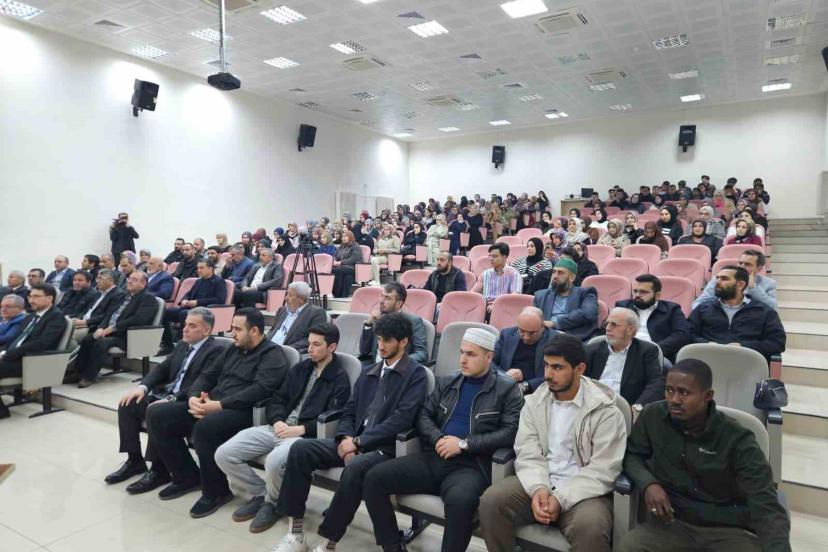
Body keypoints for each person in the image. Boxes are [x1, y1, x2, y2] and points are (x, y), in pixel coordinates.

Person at [268, 313, 428, 552]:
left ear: (404, 342)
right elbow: (349, 411)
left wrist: (359, 442)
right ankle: (296, 533)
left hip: (385, 448)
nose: (381, 346)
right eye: (379, 339)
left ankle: (329, 541)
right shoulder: (370, 371)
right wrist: (344, 438)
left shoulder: (415, 375)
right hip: (353, 440)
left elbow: (402, 419)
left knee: (355, 467)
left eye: (387, 340)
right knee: (301, 449)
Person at [363, 328, 524, 552]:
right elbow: (423, 415)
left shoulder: (507, 389)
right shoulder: (448, 381)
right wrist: (438, 437)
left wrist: (464, 444)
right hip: (435, 456)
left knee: (460, 503)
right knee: (374, 478)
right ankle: (392, 546)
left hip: (472, 466)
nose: (463, 359)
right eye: (462, 352)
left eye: (471, 354)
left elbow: (510, 432)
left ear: (489, 357)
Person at [619, 359, 790, 552]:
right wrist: (649, 483)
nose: (674, 399)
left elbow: (766, 505)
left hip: (727, 530)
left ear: (707, 396)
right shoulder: (653, 416)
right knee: (629, 547)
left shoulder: (737, 438)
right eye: (669, 390)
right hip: (673, 523)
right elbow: (632, 455)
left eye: (684, 393)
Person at [478, 333, 627, 552]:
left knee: (591, 528)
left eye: (558, 367)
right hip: (539, 480)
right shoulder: (534, 402)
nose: (548, 374)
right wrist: (539, 487)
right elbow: (528, 451)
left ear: (580, 369)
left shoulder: (605, 411)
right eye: (547, 366)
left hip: (584, 492)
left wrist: (560, 498)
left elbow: (603, 469)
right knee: (491, 501)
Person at [146, 308, 288, 518]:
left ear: (255, 331)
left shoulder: (273, 355)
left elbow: (260, 390)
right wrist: (194, 396)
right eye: (232, 328)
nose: (232, 333)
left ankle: (216, 491)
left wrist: (218, 405)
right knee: (158, 415)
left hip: (245, 411)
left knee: (206, 427)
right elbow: (208, 375)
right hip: (213, 404)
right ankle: (186, 476)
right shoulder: (233, 349)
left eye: (238, 329)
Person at [215, 323, 352, 533]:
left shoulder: (339, 379)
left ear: (332, 347)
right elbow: (277, 399)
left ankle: (272, 504)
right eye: (309, 344)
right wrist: (278, 419)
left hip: (301, 437)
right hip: (277, 427)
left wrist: (301, 429)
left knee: (274, 462)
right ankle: (262, 494)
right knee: (224, 454)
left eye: (316, 345)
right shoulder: (301, 369)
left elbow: (334, 417)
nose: (310, 349)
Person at [104, 308, 226, 492]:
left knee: (156, 412)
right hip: (167, 395)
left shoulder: (217, 350)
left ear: (206, 330)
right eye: (185, 324)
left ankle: (158, 470)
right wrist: (142, 387)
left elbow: (202, 383)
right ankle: (134, 461)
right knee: (128, 403)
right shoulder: (183, 344)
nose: (185, 329)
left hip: (190, 402)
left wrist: (171, 398)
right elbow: (162, 368)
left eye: (192, 326)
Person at [69, 271, 158, 387]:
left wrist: (113, 328)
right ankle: (77, 373)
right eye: (129, 278)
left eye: (134, 280)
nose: (129, 281)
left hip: (128, 336)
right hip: (110, 332)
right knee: (88, 339)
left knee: (101, 343)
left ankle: (89, 376)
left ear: (143, 283)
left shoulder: (148, 298)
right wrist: (101, 328)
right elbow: (108, 314)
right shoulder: (123, 296)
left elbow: (138, 320)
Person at [687, 265, 785, 361]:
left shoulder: (764, 311)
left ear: (740, 285)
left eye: (724, 279)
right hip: (707, 360)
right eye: (717, 278)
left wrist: (744, 346)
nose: (717, 282)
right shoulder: (703, 308)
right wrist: (706, 343)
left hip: (746, 363)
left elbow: (777, 343)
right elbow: (688, 333)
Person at [0, 284, 66, 418]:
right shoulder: (30, 316)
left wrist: (7, 354)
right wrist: (4, 352)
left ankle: (2, 412)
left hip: (32, 361)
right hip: (15, 357)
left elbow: (42, 344)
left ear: (49, 298)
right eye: (30, 296)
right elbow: (16, 339)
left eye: (36, 296)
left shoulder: (56, 317)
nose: (31, 300)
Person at [585, 307, 664, 407]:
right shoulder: (591, 350)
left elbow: (656, 384)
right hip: (592, 405)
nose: (608, 328)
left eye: (614, 324)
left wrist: (637, 408)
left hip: (625, 408)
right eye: (607, 323)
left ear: (630, 330)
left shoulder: (646, 352)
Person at [616, 274, 691, 363]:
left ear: (657, 295)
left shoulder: (671, 310)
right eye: (635, 291)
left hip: (655, 355)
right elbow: (610, 328)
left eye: (643, 292)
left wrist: (655, 348)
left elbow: (682, 335)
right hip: (623, 351)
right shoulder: (623, 306)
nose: (637, 295)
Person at [159, 259, 227, 354]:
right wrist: (184, 300)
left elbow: (219, 300)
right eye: (198, 268)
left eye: (201, 268)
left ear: (211, 268)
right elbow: (188, 294)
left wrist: (197, 302)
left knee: (184, 314)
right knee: (165, 313)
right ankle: (168, 345)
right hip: (191, 308)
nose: (199, 270)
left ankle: (183, 347)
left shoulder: (219, 281)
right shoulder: (199, 281)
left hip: (206, 310)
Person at [492, 306, 560, 394]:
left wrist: (527, 385)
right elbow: (489, 361)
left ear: (543, 327)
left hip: (538, 391)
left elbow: (556, 373)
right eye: (522, 331)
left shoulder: (555, 340)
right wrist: (503, 375)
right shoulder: (507, 335)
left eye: (532, 333)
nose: (526, 337)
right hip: (504, 386)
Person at [359, 282, 429, 366]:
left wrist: (397, 361)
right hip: (375, 368)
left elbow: (422, 354)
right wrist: (368, 324)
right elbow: (364, 351)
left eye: (387, 298)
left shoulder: (413, 321)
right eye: (382, 296)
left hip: (399, 370)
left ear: (398, 303)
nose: (381, 301)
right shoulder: (377, 318)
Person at [533, 258, 598, 340]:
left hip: (573, 339)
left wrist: (555, 323)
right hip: (545, 338)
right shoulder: (541, 296)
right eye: (554, 272)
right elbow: (534, 319)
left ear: (572, 278)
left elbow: (588, 313)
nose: (555, 276)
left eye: (560, 273)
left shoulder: (585, 293)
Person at [693, 250, 777, 309]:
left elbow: (773, 307)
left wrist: (753, 289)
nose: (742, 266)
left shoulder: (769, 283)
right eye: (740, 263)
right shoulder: (719, 279)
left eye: (747, 264)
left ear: (759, 268)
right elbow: (698, 303)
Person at [265, 281, 327, 354]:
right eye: (287, 294)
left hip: (287, 352)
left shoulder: (316, 313)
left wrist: (286, 349)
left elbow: (311, 339)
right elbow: (272, 330)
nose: (286, 298)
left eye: (290, 295)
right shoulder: (282, 310)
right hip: (269, 348)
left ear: (301, 299)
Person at [472, 243, 522, 313]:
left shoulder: (514, 274)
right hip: (484, 308)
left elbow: (514, 297)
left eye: (494, 256)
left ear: (504, 257)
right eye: (490, 256)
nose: (491, 259)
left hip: (504, 309)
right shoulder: (485, 274)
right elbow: (473, 294)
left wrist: (496, 305)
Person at [332, 231, 364, 298]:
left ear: (350, 237)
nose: (343, 238)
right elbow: (335, 255)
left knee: (336, 270)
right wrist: (334, 260)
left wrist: (341, 262)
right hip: (344, 267)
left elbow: (354, 259)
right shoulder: (341, 246)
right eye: (343, 236)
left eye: (346, 236)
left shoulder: (355, 246)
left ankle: (336, 293)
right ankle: (343, 295)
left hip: (353, 267)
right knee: (348, 277)